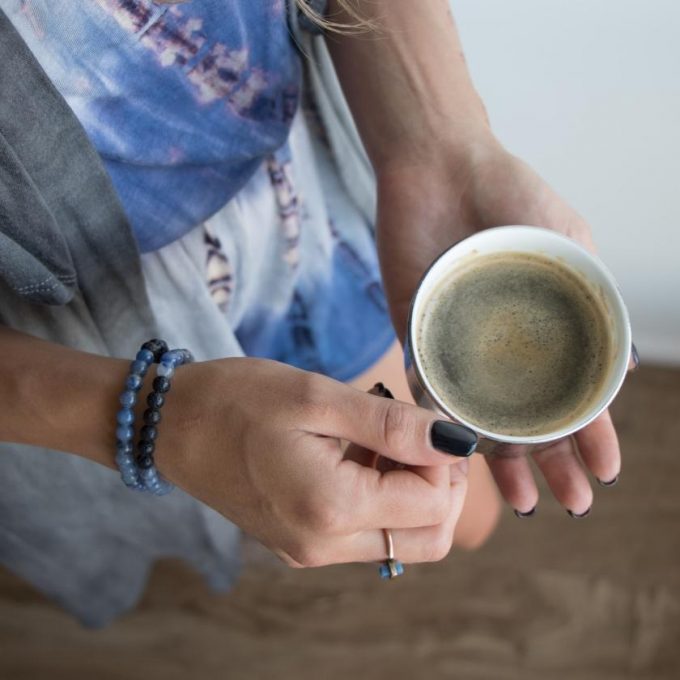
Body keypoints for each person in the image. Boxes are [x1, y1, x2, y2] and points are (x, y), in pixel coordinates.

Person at [0, 0, 627, 627]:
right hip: (74, 338)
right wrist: (158, 423)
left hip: (300, 204)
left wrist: (440, 145)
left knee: (469, 518)